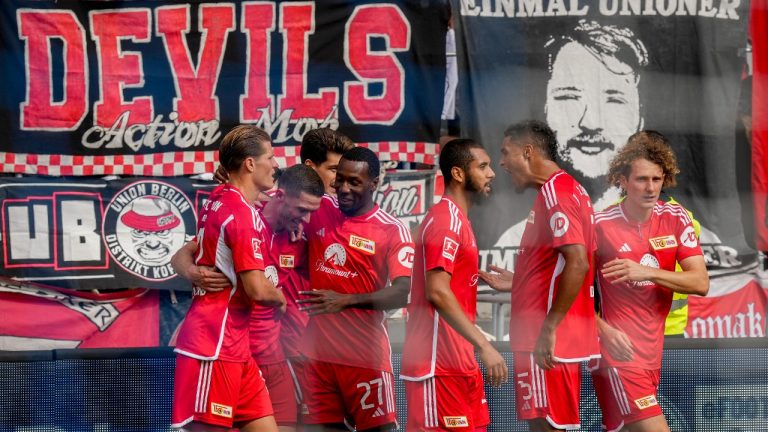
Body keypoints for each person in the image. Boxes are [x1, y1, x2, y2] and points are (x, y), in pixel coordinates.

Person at [172, 164, 326, 432]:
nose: (307, 220)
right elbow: (182, 255)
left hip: (269, 358)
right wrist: (193, 272)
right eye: (301, 210)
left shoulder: (298, 240)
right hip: (228, 351)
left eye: (312, 212)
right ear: (279, 196)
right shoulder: (244, 217)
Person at [480, 120, 599, 432]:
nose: (502, 163)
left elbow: (578, 264)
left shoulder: (556, 193)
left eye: (506, 153)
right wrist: (520, 281)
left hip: (544, 340)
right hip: (548, 337)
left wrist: (549, 328)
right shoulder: (566, 190)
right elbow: (563, 264)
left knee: (546, 427)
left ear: (528, 151)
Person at [590, 131, 708, 432]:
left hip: (653, 355)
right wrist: (604, 330)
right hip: (617, 357)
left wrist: (648, 272)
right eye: (642, 179)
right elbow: (573, 293)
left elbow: (700, 283)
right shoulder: (599, 226)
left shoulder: (677, 217)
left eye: (657, 179)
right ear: (622, 180)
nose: (650, 187)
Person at [170, 125, 286, 432]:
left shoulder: (219, 197)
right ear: (250, 164)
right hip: (214, 344)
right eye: (271, 157)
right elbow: (258, 289)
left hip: (237, 347)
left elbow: (188, 252)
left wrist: (191, 269)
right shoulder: (240, 214)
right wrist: (282, 298)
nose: (276, 164)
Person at [495, 20, 649, 248]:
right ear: (546, 111)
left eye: (614, 100)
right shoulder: (514, 243)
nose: (590, 123)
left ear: (639, 118)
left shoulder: (682, 236)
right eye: (569, 98)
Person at [297, 147, 414, 431]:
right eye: (340, 179)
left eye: (355, 182)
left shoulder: (391, 230)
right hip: (316, 359)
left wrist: (345, 301)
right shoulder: (320, 208)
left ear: (374, 183)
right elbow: (276, 194)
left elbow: (402, 291)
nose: (344, 189)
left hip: (364, 359)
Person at [400, 138, 507, 431]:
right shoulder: (446, 220)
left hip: (460, 364)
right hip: (437, 369)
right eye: (483, 166)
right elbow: (437, 291)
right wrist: (484, 344)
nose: (492, 173)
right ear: (458, 174)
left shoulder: (460, 221)